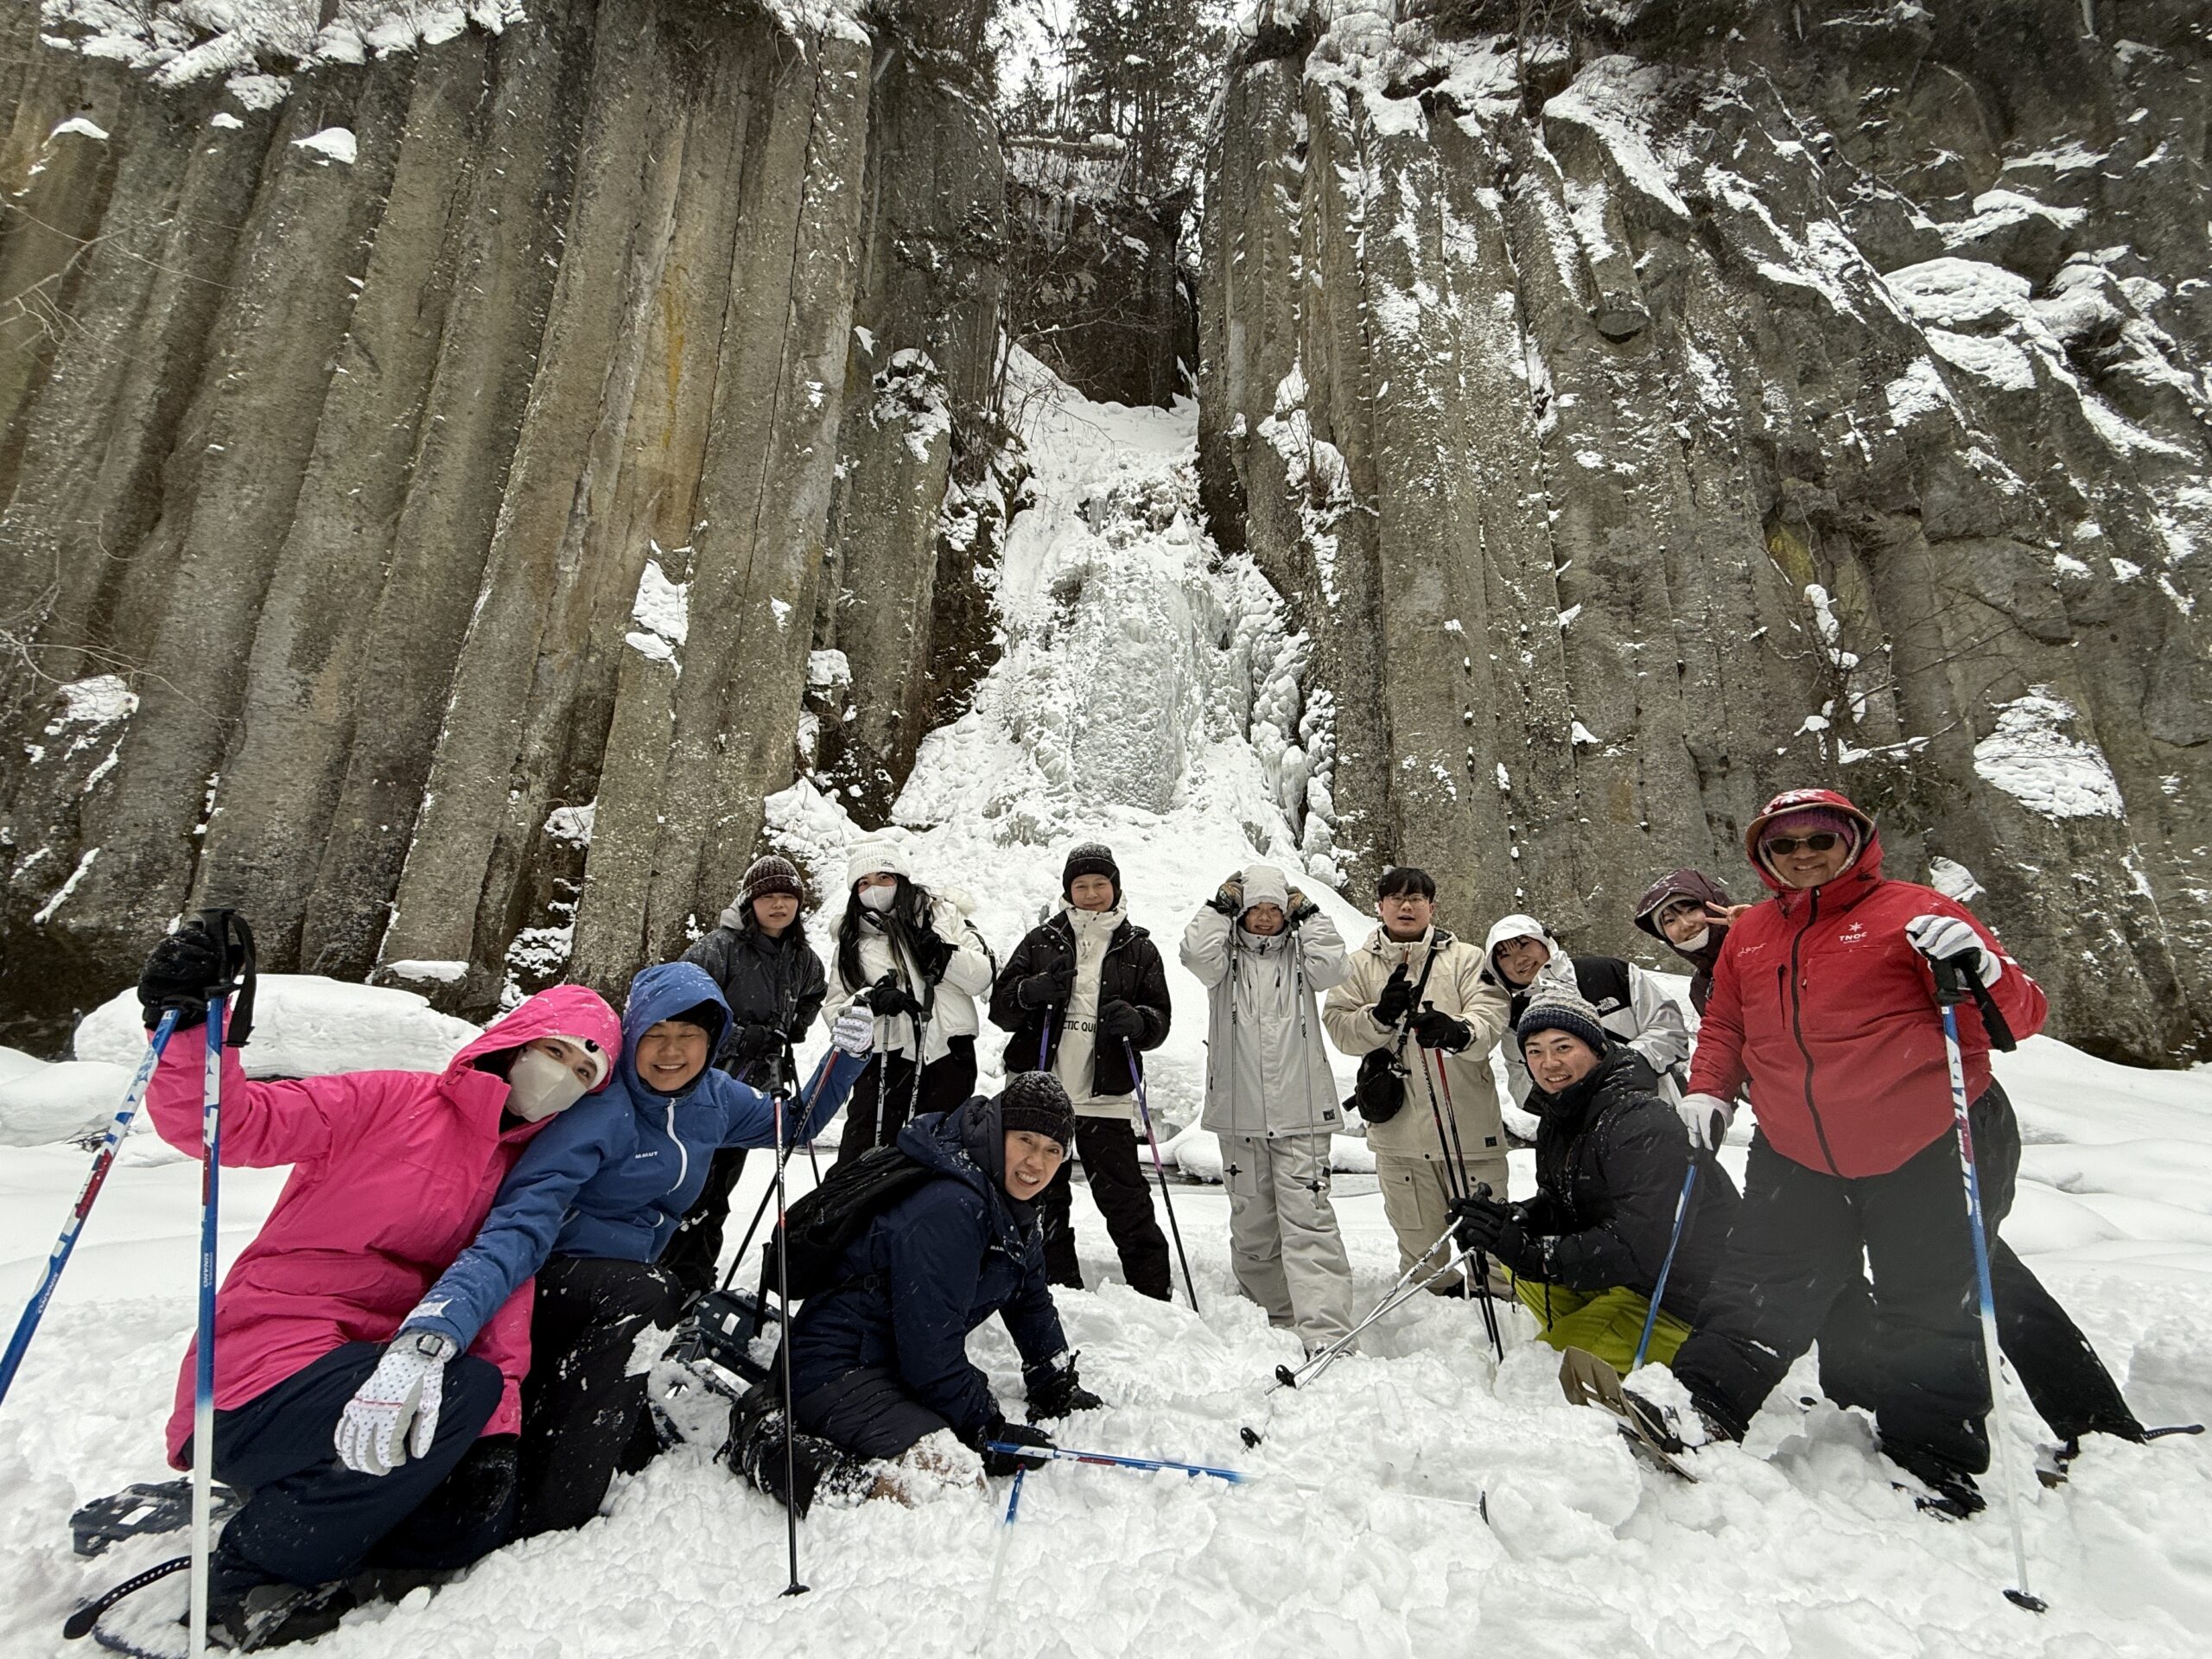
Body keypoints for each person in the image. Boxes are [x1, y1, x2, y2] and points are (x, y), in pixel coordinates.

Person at [134, 916, 621, 1648]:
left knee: (460, 1529)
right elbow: (232, 1125)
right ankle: (252, 1572)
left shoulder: (519, 1175)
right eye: (555, 1052)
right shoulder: (391, 1099)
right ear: (517, 1041)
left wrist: (494, 1440)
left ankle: (311, 1506)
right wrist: (187, 1026)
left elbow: (501, 1304)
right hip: (263, 1372)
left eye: (583, 1075)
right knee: (464, 1390)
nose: (561, 1078)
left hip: (376, 1378)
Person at [1633, 863, 2151, 1456]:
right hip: (1813, 1142)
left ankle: (2095, 1421)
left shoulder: (1789, 928)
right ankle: (1858, 1398)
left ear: (1716, 901)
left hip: (1924, 1131)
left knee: (1973, 1271)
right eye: (1667, 921)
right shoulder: (1711, 984)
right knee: (1825, 1270)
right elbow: (1742, 1043)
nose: (1682, 925)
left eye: (1688, 907)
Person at [1653, 788, 2050, 1515]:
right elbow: (1727, 1025)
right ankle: (1700, 1404)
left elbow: (2018, 1018)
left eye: (1820, 839)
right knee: (1760, 1280)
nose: (1802, 854)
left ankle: (1934, 1457)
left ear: (1854, 841)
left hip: (1923, 1137)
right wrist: (1708, 1089)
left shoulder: (1916, 913)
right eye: (1784, 844)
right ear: (1764, 857)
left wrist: (1984, 971)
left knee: (1928, 1297)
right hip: (1796, 1144)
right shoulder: (1751, 933)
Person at [403, 961, 873, 1536]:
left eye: (689, 1035)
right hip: (548, 1279)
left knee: (651, 1301)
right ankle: (554, 1510)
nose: (672, 1052)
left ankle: (597, 1431)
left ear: (713, 1040)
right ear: (633, 1035)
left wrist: (845, 1056)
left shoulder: (714, 1098)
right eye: (656, 1034)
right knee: (649, 1295)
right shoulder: (599, 1109)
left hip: (627, 1280)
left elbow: (793, 1124)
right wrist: (446, 1316)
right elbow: (522, 1218)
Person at [741, 1073, 1099, 1504]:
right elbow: (930, 1350)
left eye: (1053, 1150)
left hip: (892, 1360)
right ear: (997, 1130)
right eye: (1026, 1140)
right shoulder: (953, 1206)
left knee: (951, 1464)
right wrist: (985, 1429)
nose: (1036, 1163)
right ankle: (765, 1444)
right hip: (835, 1364)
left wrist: (1053, 1380)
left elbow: (1030, 1298)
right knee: (950, 1480)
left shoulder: (1007, 1200)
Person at [1449, 992, 1739, 1370]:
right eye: (1535, 1051)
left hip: (1682, 1300)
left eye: (1563, 1047)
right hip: (1627, 1277)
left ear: (1597, 1049)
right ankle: (1595, 1323)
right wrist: (1511, 1221)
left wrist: (1534, 1255)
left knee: (1550, 1371)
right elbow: (1564, 1202)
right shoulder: (1563, 1111)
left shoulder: (1641, 1123)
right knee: (1515, 1260)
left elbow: (1642, 1244)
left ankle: (1634, 1339)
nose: (1549, 1063)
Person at [988, 841, 1175, 1300]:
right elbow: (1001, 1009)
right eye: (1081, 886)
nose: (1091, 894)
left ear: (1115, 887)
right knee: (1042, 1195)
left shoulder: (1140, 948)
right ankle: (1055, 1287)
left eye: (1100, 884)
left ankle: (1153, 1292)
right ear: (1068, 891)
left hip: (1105, 1094)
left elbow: (1160, 1020)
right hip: (1040, 1092)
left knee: (1125, 1196)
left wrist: (1140, 1022)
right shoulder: (1040, 940)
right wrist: (1030, 992)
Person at [1180, 863, 1355, 1354]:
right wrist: (1218, 906)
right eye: (1253, 908)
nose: (1263, 917)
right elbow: (1194, 953)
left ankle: (1327, 1332)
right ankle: (1273, 1322)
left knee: (1310, 1222)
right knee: (1253, 1224)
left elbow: (1335, 967)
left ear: (1286, 912)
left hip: (1302, 1111)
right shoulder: (1223, 961)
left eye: (1273, 908)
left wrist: (1312, 914)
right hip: (1239, 1114)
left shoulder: (1303, 957)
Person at [1321, 866, 1510, 1296]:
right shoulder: (1355, 966)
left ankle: (1502, 1309)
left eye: (1417, 899)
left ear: (1432, 907)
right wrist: (1378, 1017)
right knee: (1422, 1253)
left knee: (1494, 1250)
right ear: (1380, 906)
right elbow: (1339, 1030)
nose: (1406, 906)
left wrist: (1458, 1032)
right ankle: (1433, 1311)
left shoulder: (1467, 959)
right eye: (1396, 898)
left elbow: (1491, 1014)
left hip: (1470, 1131)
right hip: (1399, 1137)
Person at [661, 855, 830, 1297]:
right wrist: (739, 1036)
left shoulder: (802, 958)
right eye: (768, 896)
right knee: (684, 1188)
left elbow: (815, 992)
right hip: (700, 1086)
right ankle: (662, 1279)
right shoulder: (719, 948)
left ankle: (695, 1282)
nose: (779, 905)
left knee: (718, 1193)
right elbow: (678, 1006)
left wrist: (794, 1028)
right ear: (750, 901)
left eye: (787, 896)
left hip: (750, 1092)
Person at [823, 836, 995, 1162]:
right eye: (863, 883)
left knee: (939, 1156)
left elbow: (983, 977)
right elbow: (835, 1011)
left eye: (883, 877)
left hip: (947, 1052)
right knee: (864, 1154)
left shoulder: (943, 915)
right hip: (884, 1058)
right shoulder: (851, 941)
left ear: (900, 879)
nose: (874, 888)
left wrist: (946, 957)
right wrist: (870, 1002)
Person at [1481, 912, 1691, 1106]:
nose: (1519, 959)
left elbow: (1669, 1028)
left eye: (1524, 945)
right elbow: (1521, 1087)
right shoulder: (1515, 1018)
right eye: (1504, 955)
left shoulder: (1607, 972)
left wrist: (1621, 1066)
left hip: (1660, 1103)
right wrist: (1562, 1087)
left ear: (1544, 942)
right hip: (1581, 1124)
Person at [1630, 868, 1743, 1016]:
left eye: (1691, 910)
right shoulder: (1700, 988)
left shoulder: (1764, 945)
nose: (1685, 925)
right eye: (1670, 921)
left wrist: (1755, 930)